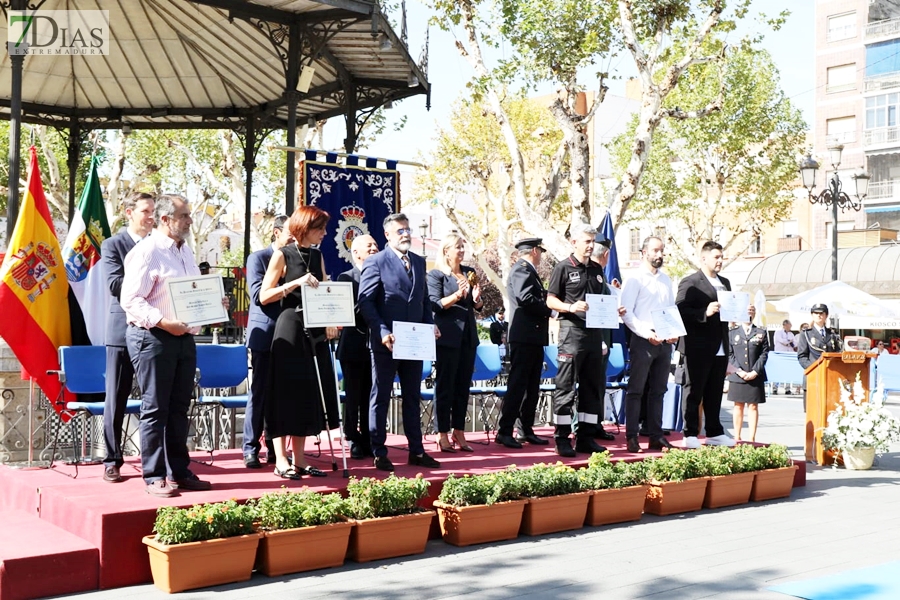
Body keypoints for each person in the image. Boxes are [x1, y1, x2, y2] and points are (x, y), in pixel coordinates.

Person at [121, 193, 212, 497]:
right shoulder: (147, 251)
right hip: (153, 337)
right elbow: (130, 299)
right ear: (165, 219)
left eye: (188, 215)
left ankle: (180, 470)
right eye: (184, 215)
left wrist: (213, 305)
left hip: (184, 338)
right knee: (156, 407)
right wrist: (162, 321)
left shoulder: (185, 251)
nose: (188, 220)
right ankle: (154, 475)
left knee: (178, 407)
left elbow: (192, 293)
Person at [259, 205, 340, 480]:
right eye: (321, 229)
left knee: (307, 394)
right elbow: (264, 295)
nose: (325, 234)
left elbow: (326, 288)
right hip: (289, 327)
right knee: (285, 393)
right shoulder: (282, 254)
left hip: (313, 329)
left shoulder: (317, 256)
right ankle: (280, 459)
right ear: (305, 228)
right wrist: (294, 284)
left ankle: (301, 459)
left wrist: (332, 319)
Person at [358, 213, 442, 472]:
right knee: (381, 396)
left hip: (414, 341)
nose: (405, 234)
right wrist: (382, 330)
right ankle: (379, 451)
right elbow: (366, 302)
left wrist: (430, 325)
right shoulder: (376, 261)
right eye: (400, 231)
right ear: (387, 235)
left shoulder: (418, 261)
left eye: (407, 229)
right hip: (388, 342)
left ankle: (416, 450)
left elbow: (423, 300)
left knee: (412, 397)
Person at [546, 224, 620, 457]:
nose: (590, 245)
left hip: (594, 336)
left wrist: (612, 312)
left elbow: (600, 303)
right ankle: (562, 438)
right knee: (566, 388)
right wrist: (569, 306)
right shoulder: (563, 268)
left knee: (592, 387)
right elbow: (550, 300)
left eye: (592, 241)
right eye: (586, 241)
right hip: (571, 334)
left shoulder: (598, 270)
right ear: (574, 242)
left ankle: (586, 437)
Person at [100, 192, 155, 483]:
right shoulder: (113, 244)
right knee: (116, 398)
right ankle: (112, 459)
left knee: (154, 399)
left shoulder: (160, 246)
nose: (151, 217)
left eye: (153, 211)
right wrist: (154, 282)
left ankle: (154, 461)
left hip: (154, 333)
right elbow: (114, 284)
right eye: (145, 211)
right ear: (129, 212)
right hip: (122, 332)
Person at [619, 236, 678, 453]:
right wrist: (646, 333)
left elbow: (670, 311)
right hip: (643, 340)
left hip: (664, 343)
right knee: (636, 390)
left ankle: (656, 435)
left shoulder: (666, 280)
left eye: (662, 251)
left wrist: (673, 334)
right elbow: (627, 312)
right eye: (655, 250)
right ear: (644, 252)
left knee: (659, 390)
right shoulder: (634, 278)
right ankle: (632, 436)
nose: (659, 255)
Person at [242, 214, 292, 469]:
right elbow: (258, 296)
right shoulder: (258, 258)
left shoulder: (297, 257)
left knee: (282, 395)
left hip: (289, 336)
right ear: (276, 233)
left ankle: (277, 449)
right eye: (290, 233)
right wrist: (289, 284)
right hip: (265, 334)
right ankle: (251, 447)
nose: (295, 238)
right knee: (259, 392)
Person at [676, 240, 735, 449]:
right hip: (697, 346)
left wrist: (742, 313)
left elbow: (729, 312)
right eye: (716, 257)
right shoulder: (690, 282)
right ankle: (690, 432)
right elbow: (680, 311)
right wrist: (704, 312)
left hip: (719, 344)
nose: (720, 261)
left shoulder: (725, 283)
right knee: (694, 389)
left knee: (715, 390)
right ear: (704, 258)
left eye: (721, 257)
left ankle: (715, 431)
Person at [427, 233, 483, 453]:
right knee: (445, 386)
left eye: (463, 247)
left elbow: (476, 306)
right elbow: (435, 304)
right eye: (457, 247)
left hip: (468, 336)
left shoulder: (470, 272)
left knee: (462, 385)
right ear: (446, 251)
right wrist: (458, 295)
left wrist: (476, 298)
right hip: (447, 337)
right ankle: (441, 433)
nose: (461, 250)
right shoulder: (436, 274)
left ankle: (459, 430)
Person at [496, 237, 552, 448]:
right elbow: (526, 298)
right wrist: (549, 308)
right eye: (540, 252)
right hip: (524, 336)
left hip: (532, 336)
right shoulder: (522, 269)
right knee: (518, 385)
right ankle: (505, 430)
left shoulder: (528, 271)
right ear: (535, 251)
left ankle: (525, 428)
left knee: (531, 386)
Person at [336, 234, 379, 459]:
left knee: (371, 395)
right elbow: (347, 311)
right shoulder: (347, 277)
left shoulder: (383, 276)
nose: (374, 248)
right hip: (353, 344)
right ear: (356, 253)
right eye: (368, 245)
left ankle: (370, 437)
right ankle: (353, 437)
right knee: (353, 394)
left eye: (375, 245)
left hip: (377, 344)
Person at [727, 305, 770, 442]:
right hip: (737, 374)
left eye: (751, 311)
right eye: (746, 311)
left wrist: (755, 371)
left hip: (754, 375)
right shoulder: (732, 332)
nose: (749, 314)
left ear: (755, 314)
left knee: (753, 406)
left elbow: (764, 354)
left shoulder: (761, 332)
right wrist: (739, 371)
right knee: (738, 405)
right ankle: (737, 437)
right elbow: (730, 354)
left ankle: (752, 438)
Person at [796, 303, 842, 409]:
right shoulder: (806, 334)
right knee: (812, 411)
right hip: (813, 376)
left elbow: (838, 353)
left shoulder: (832, 334)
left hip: (830, 377)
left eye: (821, 313)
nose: (819, 315)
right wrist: (814, 369)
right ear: (812, 315)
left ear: (826, 315)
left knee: (830, 411)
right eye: (816, 313)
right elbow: (802, 356)